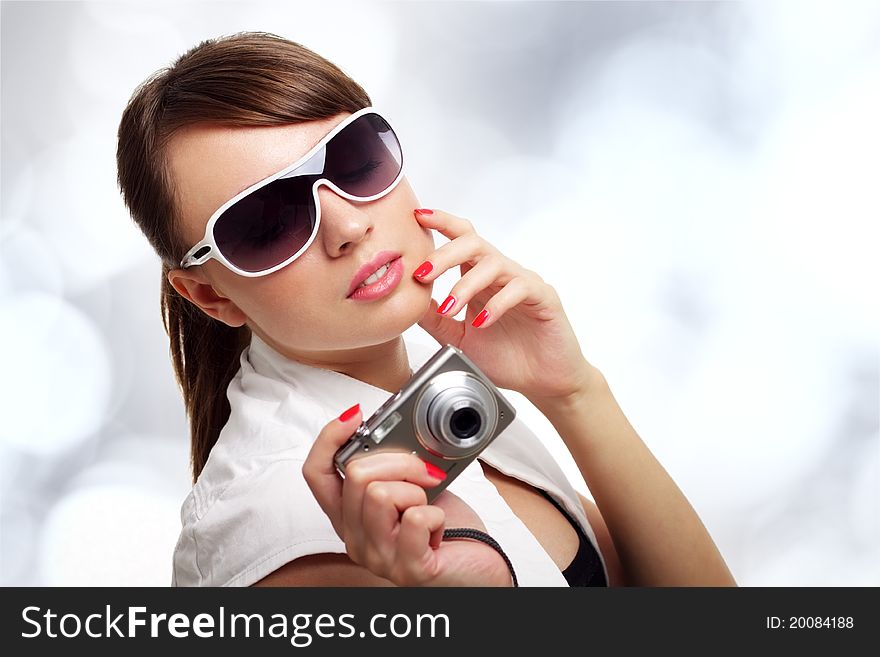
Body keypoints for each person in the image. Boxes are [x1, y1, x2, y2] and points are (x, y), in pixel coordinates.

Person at [116, 31, 736, 587]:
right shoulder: (280, 524)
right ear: (212, 295)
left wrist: (574, 392)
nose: (349, 226)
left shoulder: (433, 387)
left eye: (354, 159)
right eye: (267, 222)